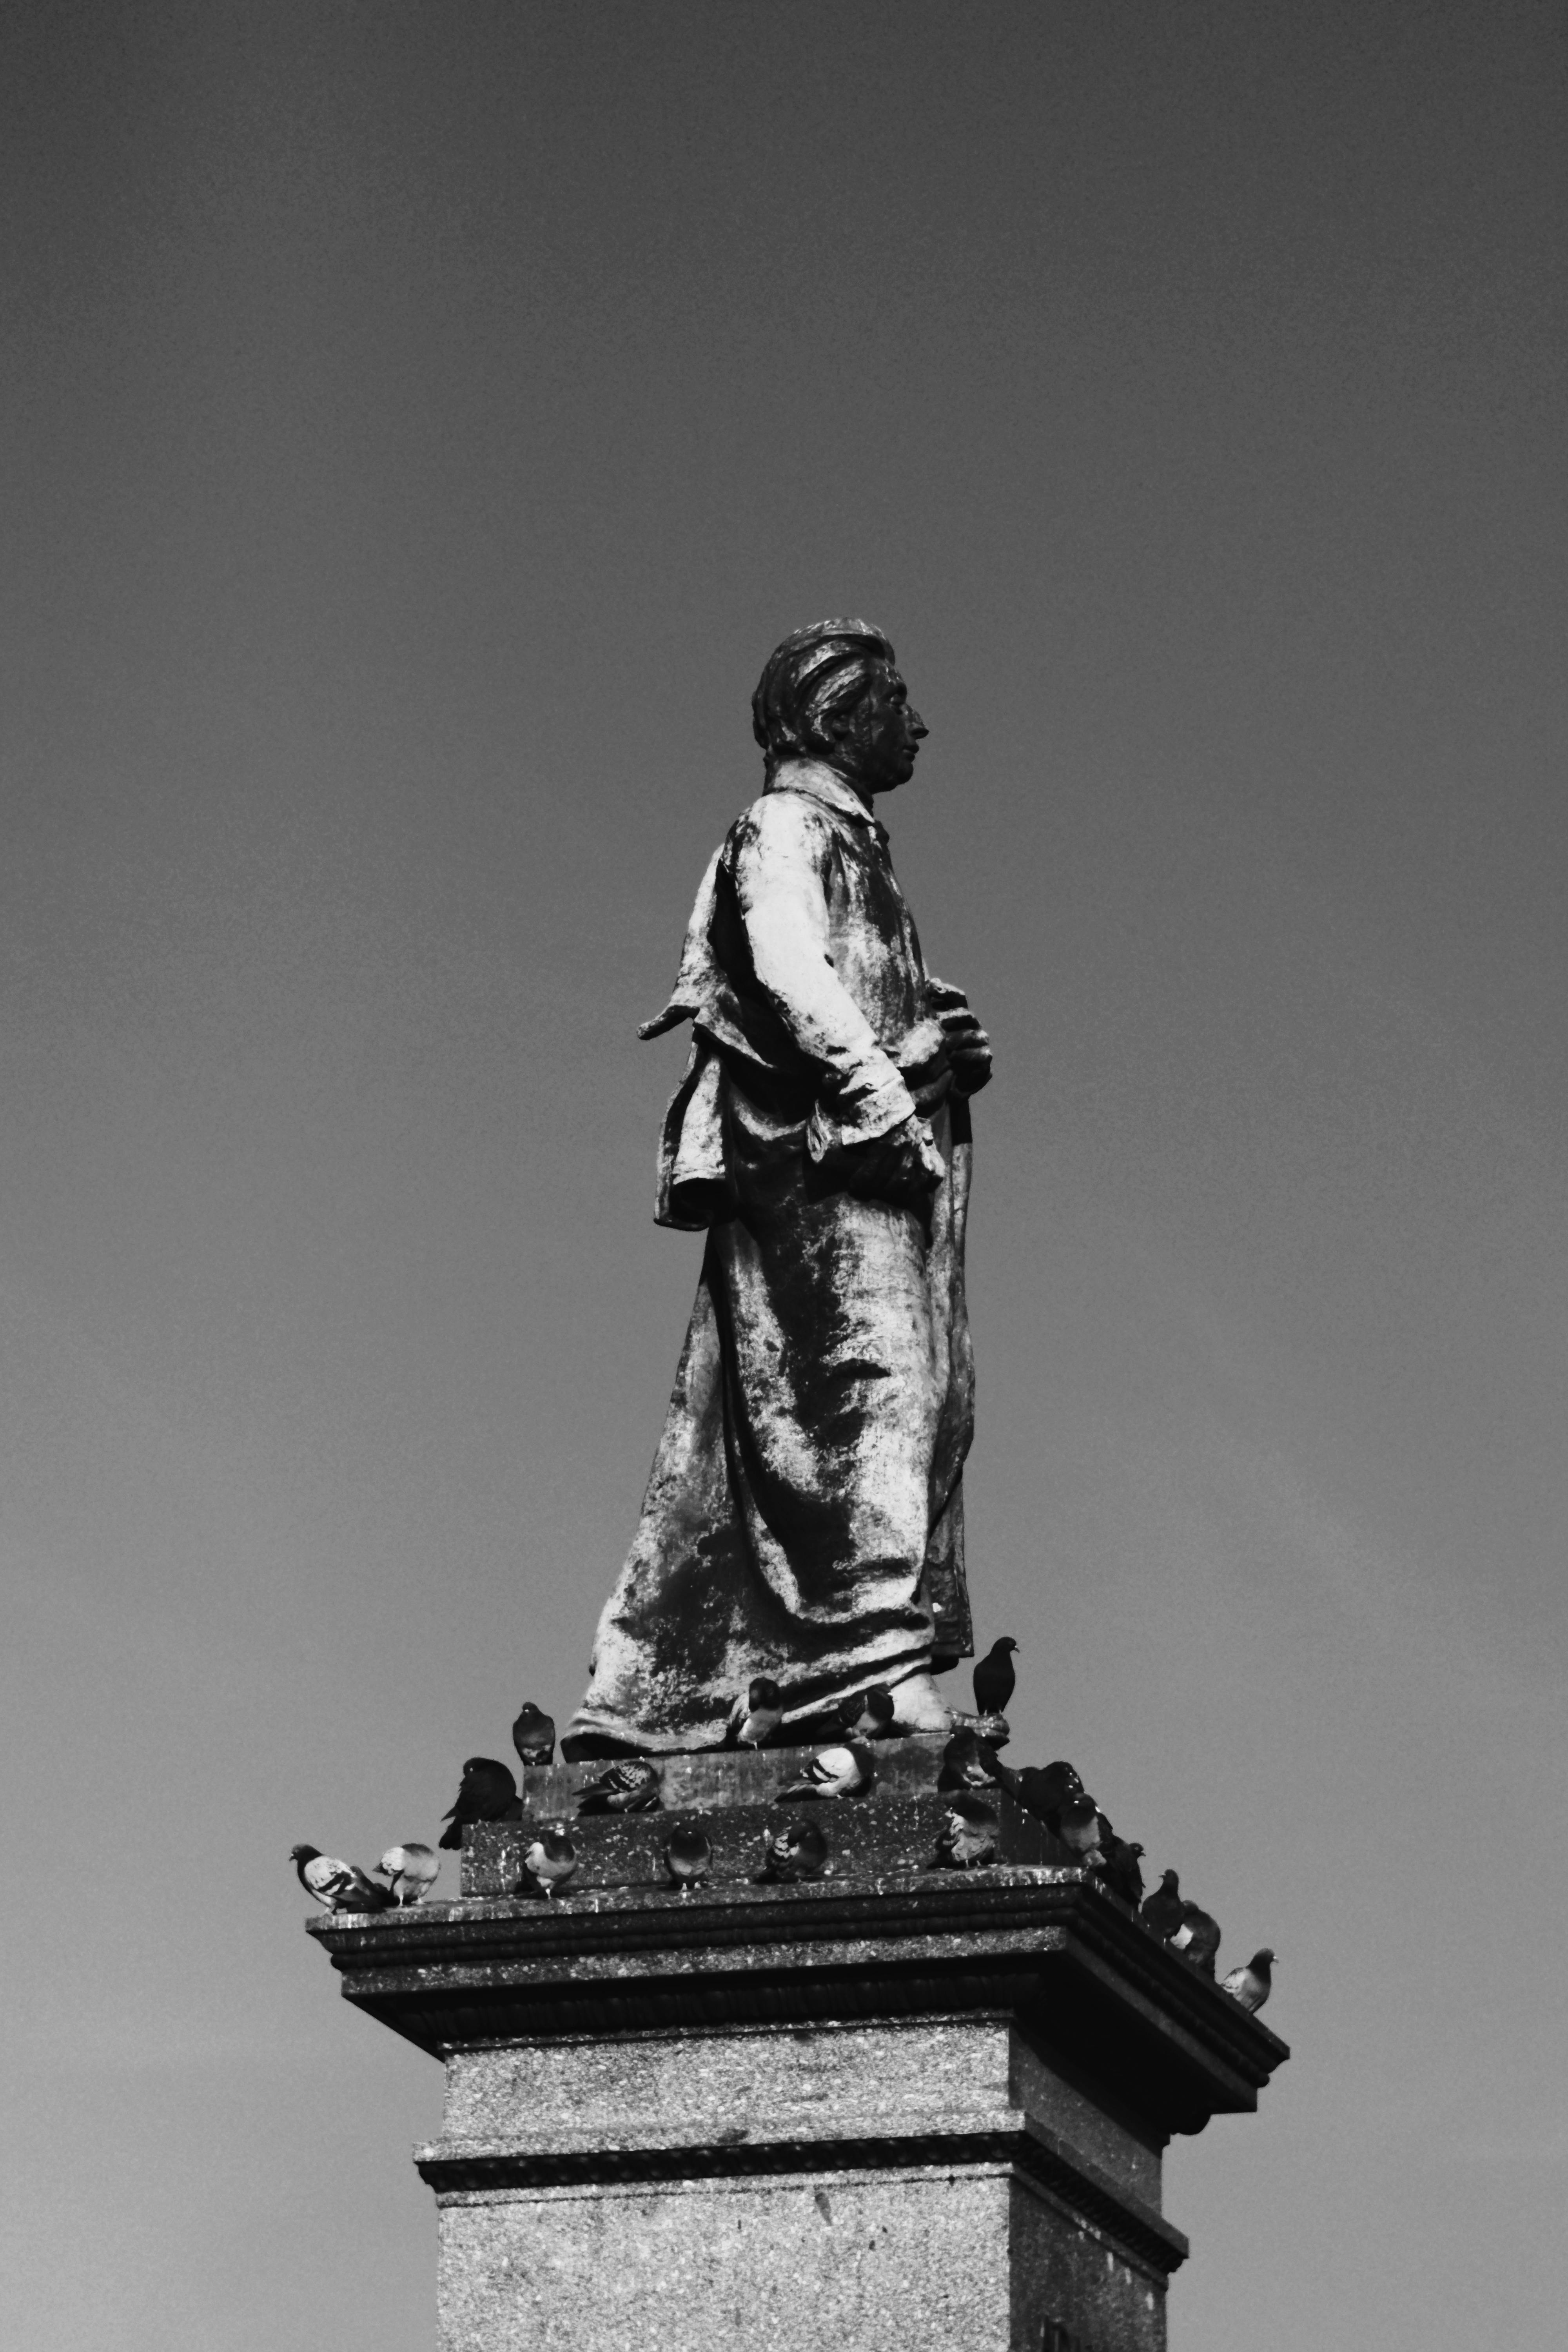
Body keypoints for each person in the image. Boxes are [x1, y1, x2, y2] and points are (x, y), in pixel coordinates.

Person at [562, 619, 993, 1758]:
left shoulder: (855, 843)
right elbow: (791, 966)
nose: (918, 724)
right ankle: (877, 1669)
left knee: (908, 1400)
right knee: (869, 1392)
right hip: (823, 1160)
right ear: (838, 716)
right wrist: (884, 1082)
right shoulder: (787, 827)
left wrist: (936, 1052)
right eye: (897, 701)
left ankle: (830, 1667)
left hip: (865, 1156)